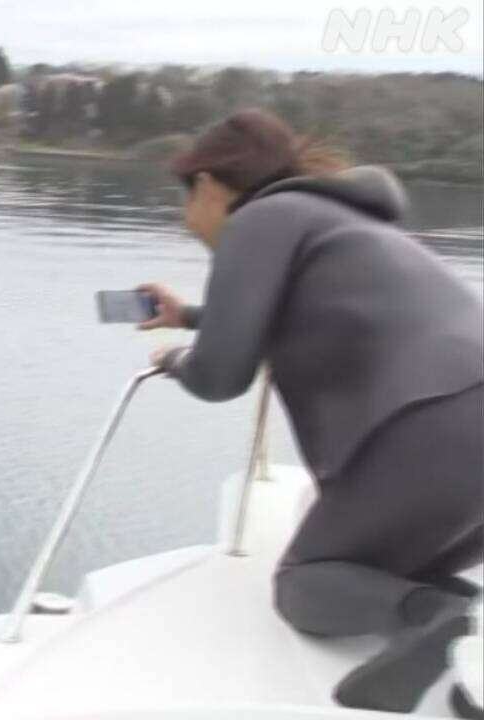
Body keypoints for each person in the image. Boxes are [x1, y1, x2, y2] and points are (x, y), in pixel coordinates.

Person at [138, 108, 484, 713]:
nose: (187, 219)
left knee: (306, 585)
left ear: (210, 185)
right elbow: (311, 314)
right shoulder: (338, 219)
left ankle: (436, 620)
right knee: (391, 571)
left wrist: (172, 360)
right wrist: (191, 315)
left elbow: (221, 376)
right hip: (461, 416)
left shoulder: (261, 219)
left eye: (186, 198)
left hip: (439, 422)